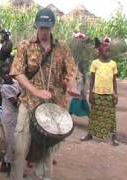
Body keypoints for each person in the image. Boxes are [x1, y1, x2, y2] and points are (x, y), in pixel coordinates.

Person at [9, 8, 79, 180]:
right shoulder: (26, 46)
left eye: (47, 28)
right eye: (41, 27)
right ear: (36, 26)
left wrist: (71, 86)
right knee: (20, 148)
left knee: (47, 153)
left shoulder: (62, 48)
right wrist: (36, 91)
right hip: (29, 103)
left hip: (52, 108)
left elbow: (71, 72)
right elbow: (17, 72)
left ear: (52, 26)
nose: (43, 32)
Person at [81, 37, 119, 146]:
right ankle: (89, 134)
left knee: (111, 116)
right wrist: (90, 93)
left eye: (108, 49)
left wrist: (115, 94)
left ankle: (114, 137)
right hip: (97, 94)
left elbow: (114, 80)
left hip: (109, 95)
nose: (107, 51)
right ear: (99, 51)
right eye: (104, 48)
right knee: (94, 115)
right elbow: (92, 80)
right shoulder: (95, 63)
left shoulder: (113, 64)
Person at [0, 63, 22, 175]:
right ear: (1, 76)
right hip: (8, 117)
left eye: (8, 73)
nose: (7, 75)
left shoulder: (16, 82)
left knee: (16, 140)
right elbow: (15, 103)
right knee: (10, 141)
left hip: (16, 116)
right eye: (4, 74)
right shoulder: (4, 88)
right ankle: (8, 164)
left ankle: (7, 163)